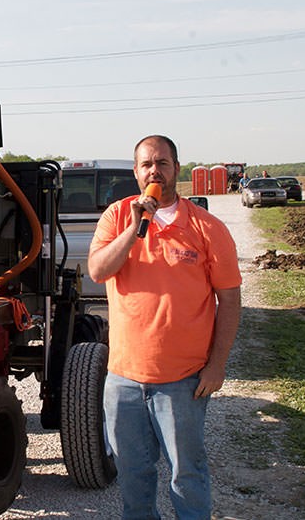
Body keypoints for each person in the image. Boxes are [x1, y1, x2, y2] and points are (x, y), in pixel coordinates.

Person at [87, 135, 242, 519]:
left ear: (176, 169)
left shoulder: (206, 227)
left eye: (162, 163)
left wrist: (217, 365)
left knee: (186, 474)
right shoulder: (117, 216)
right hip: (123, 381)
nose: (154, 171)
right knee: (133, 473)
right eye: (146, 164)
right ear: (136, 172)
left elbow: (230, 301)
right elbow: (98, 270)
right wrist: (135, 227)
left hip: (183, 381)